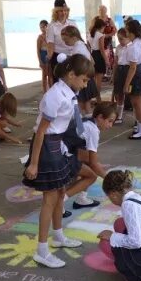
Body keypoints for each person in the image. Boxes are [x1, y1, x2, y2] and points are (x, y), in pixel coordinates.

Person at [22, 55, 91, 268]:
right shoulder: (55, 96)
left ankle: (59, 236)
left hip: (57, 144)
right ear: (71, 75)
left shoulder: (69, 92)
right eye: (84, 79)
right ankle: (41, 250)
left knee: (61, 193)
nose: (86, 84)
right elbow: (41, 131)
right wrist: (34, 163)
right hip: (46, 147)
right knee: (49, 200)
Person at [64, 100, 117, 211]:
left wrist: (96, 165)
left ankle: (81, 199)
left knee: (85, 165)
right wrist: (111, 179)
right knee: (92, 176)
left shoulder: (88, 119)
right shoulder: (92, 130)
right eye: (110, 121)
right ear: (100, 117)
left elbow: (88, 158)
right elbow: (93, 164)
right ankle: (60, 200)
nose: (111, 125)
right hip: (61, 155)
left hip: (57, 150)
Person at [46, 0, 76, 77]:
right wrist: (48, 60)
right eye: (61, 11)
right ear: (56, 12)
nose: (63, 13)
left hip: (73, 57)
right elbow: (50, 46)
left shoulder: (72, 23)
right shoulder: (51, 26)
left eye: (65, 10)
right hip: (58, 58)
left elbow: (78, 40)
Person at [112, 28, 130, 123]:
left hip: (128, 70)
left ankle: (137, 119)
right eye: (119, 39)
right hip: (120, 70)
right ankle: (119, 116)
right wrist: (113, 75)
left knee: (131, 95)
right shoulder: (118, 47)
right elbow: (115, 62)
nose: (120, 41)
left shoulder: (131, 47)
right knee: (119, 94)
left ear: (128, 38)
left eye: (122, 39)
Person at [88, 18, 109, 100]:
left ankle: (92, 97)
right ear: (101, 26)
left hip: (92, 55)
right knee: (99, 79)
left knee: (93, 78)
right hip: (99, 55)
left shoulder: (90, 34)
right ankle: (98, 98)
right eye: (103, 27)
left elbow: (88, 47)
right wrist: (106, 60)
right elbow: (102, 49)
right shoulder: (100, 35)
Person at [37, 20, 50, 92]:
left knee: (50, 74)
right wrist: (40, 61)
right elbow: (38, 50)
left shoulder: (50, 35)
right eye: (41, 27)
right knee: (44, 74)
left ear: (47, 26)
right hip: (43, 54)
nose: (42, 29)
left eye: (43, 27)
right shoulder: (40, 37)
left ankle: (51, 89)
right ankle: (45, 91)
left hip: (50, 54)